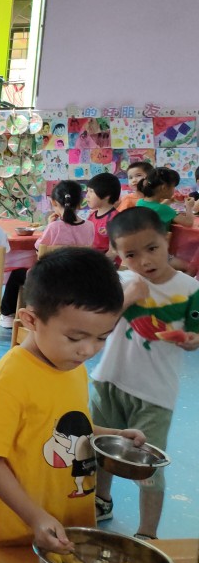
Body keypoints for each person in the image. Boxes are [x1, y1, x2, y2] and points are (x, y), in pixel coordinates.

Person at [0, 248, 146, 551]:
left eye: (101, 337)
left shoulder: (72, 367)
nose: (88, 350)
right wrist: (35, 517)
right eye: (75, 338)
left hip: (66, 524)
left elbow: (68, 425)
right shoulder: (10, 379)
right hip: (12, 535)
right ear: (30, 320)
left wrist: (114, 436)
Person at [90, 208, 199, 540]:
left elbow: (195, 336)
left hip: (155, 394)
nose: (145, 260)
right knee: (99, 450)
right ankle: (101, 500)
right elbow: (98, 327)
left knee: (148, 466)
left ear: (167, 240)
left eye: (152, 248)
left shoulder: (189, 288)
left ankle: (148, 534)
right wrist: (128, 298)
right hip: (109, 380)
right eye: (132, 255)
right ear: (119, 255)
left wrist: (190, 340)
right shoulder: (121, 283)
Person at [0, 181, 94, 329]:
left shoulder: (54, 227)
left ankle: (7, 314)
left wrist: (49, 225)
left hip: (49, 278)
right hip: (78, 280)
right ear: (80, 203)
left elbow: (39, 249)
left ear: (54, 202)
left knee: (17, 274)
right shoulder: (89, 226)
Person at [85, 172, 121, 255]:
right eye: (87, 191)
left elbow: (113, 252)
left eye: (91, 191)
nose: (87, 195)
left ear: (106, 195)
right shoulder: (91, 216)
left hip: (106, 261)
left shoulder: (116, 219)